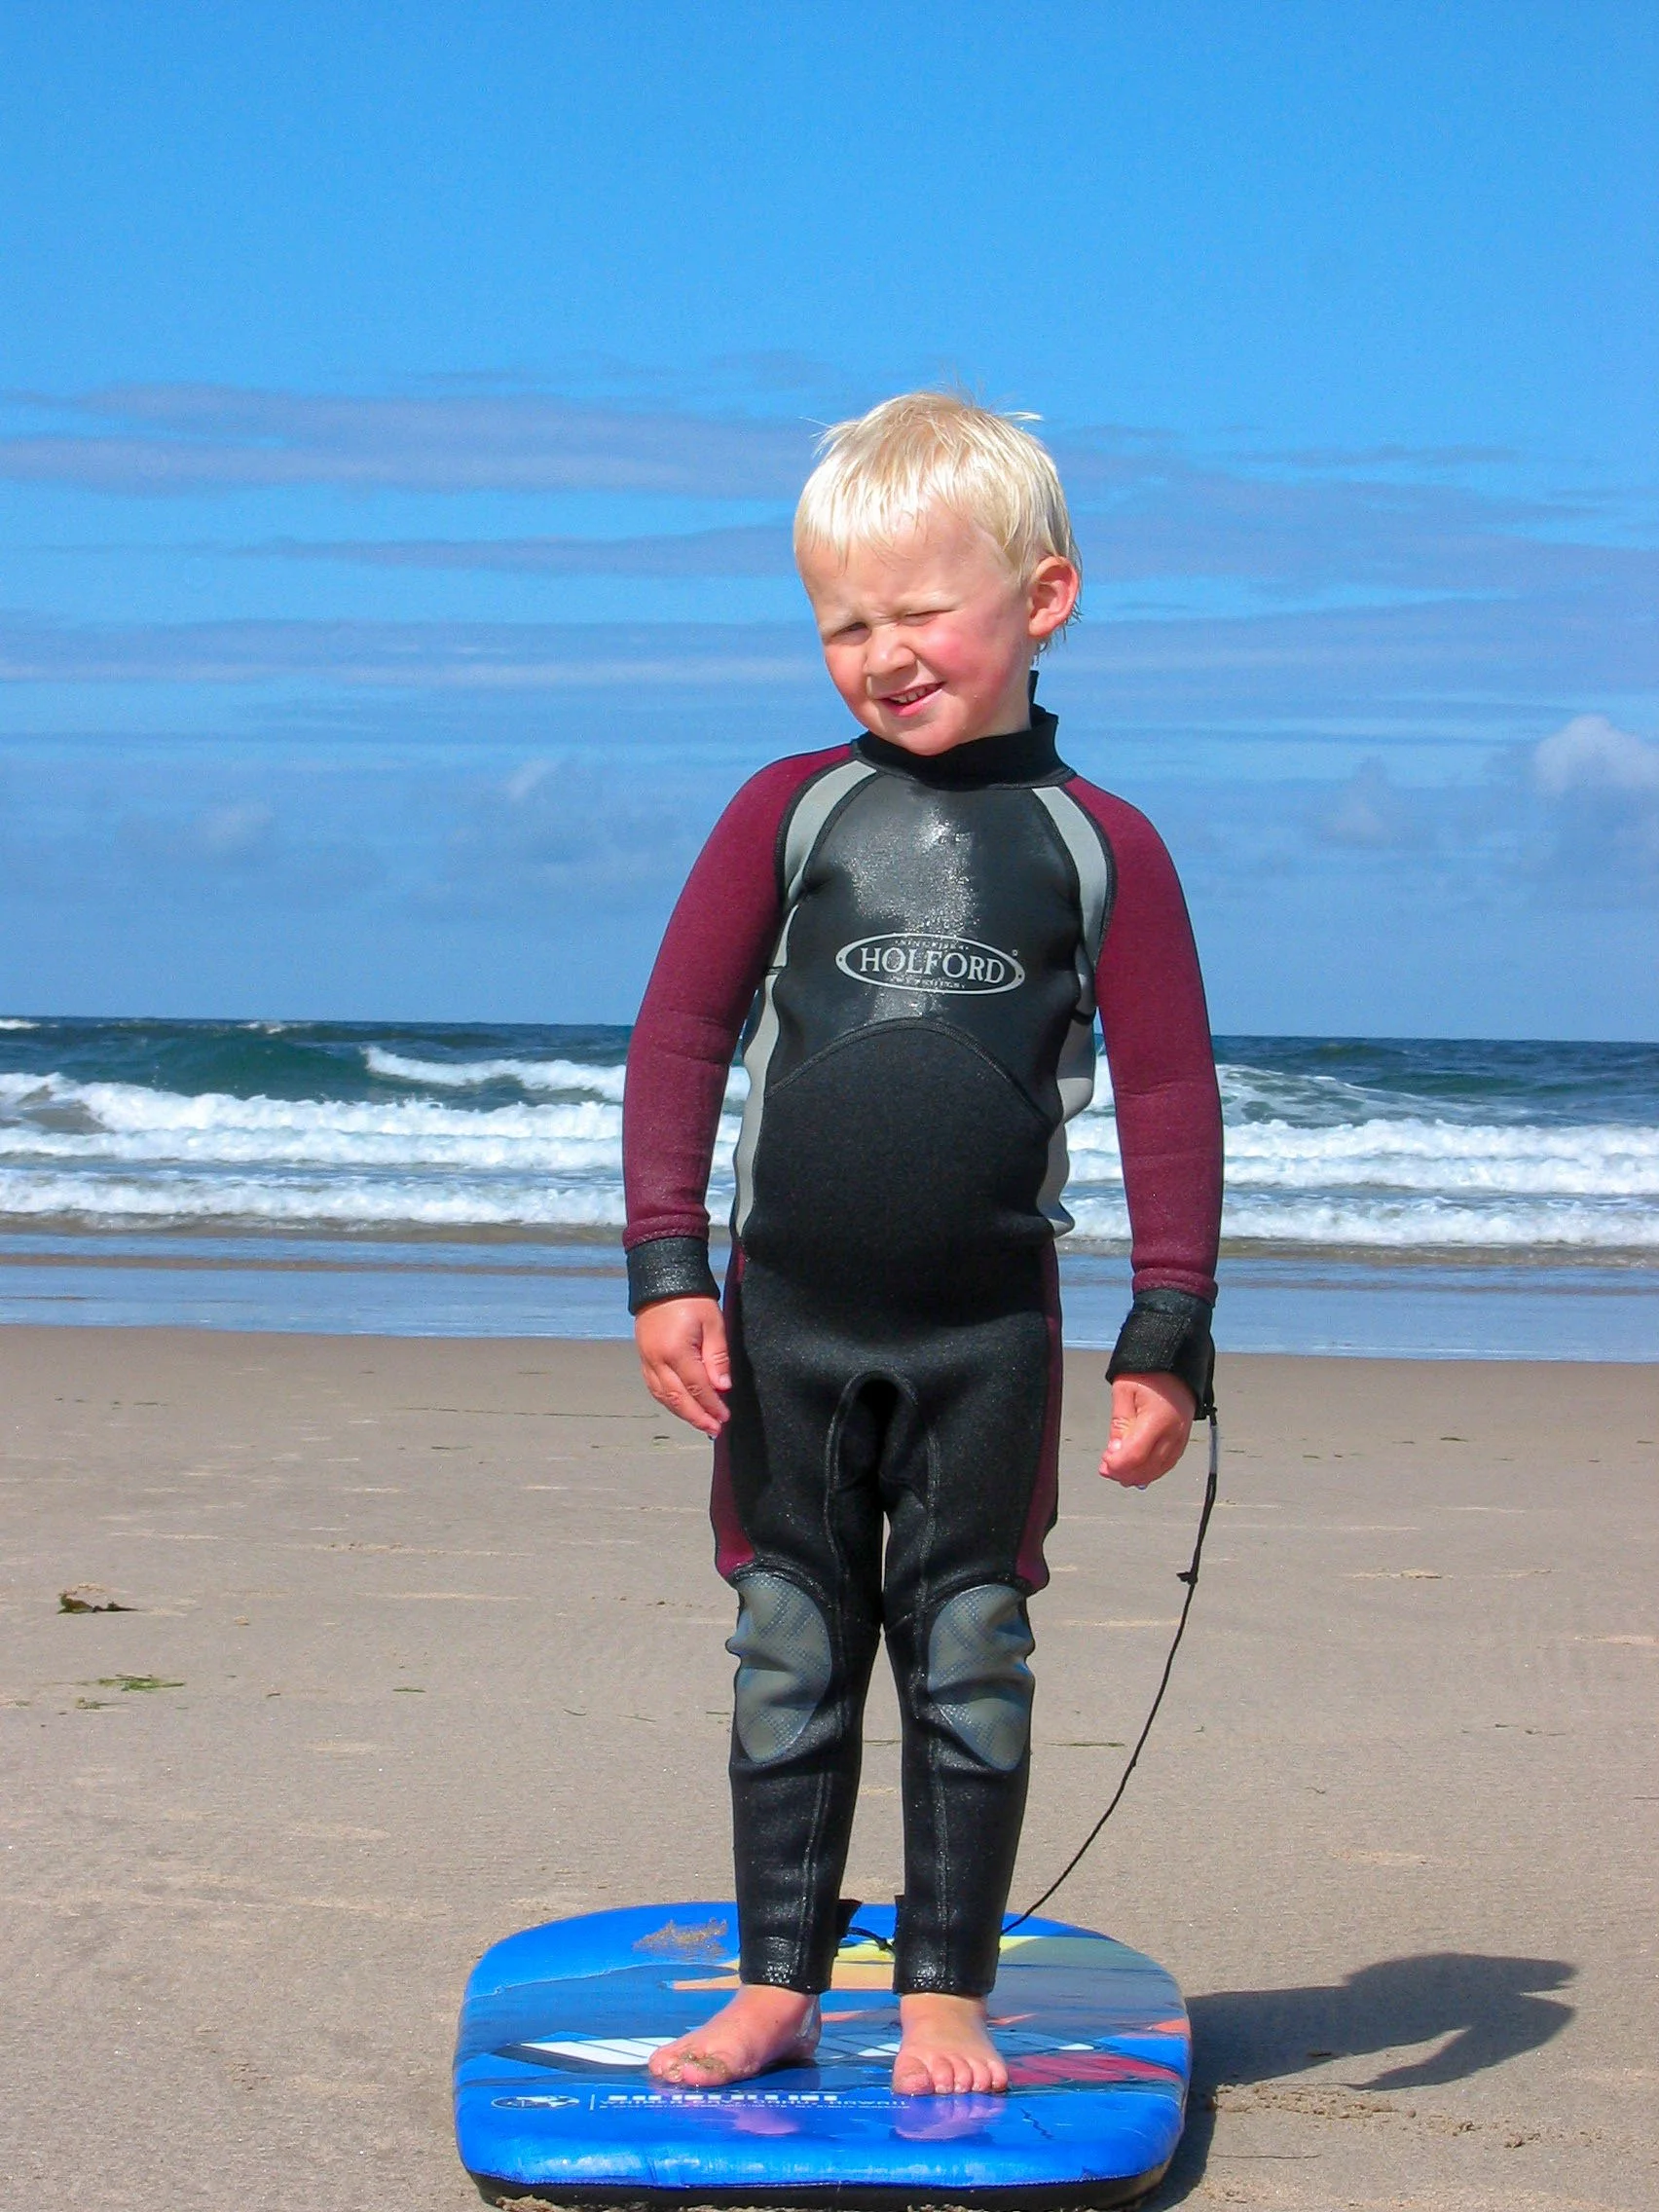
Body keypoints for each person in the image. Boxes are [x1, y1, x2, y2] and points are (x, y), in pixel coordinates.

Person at [621, 392, 1222, 2097]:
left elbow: (1171, 1094)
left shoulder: (1103, 847)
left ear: (1045, 599)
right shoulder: (789, 813)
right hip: (785, 1323)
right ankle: (779, 1981)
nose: (881, 654)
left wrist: (1165, 1329)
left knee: (968, 1637)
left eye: (917, 612)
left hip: (988, 1339)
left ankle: (946, 1988)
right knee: (791, 1639)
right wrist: (669, 1269)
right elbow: (678, 1039)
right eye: (843, 624)